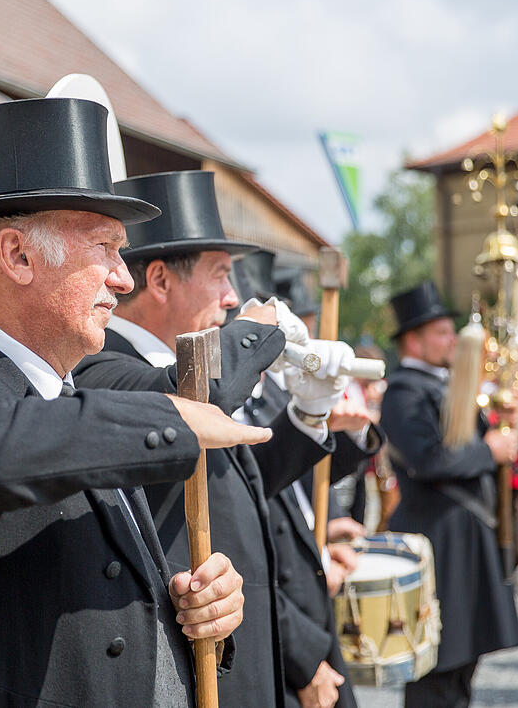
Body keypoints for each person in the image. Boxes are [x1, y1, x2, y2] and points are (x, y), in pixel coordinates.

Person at [0, 99, 269, 707]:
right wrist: (166, 416)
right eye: (105, 248)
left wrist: (193, 612)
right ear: (18, 256)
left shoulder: (75, 394)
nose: (123, 278)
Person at [74, 170, 347, 708]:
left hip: (242, 651)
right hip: (191, 663)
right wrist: (259, 330)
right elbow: (198, 393)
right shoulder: (105, 370)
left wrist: (310, 412)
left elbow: (244, 488)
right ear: (160, 280)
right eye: (221, 275)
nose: (231, 297)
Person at [234, 253, 382, 708]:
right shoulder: (226, 399)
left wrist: (327, 532)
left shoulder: (275, 388)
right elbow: (249, 523)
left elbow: (296, 479)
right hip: (279, 618)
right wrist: (302, 658)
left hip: (307, 593)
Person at [380, 282, 518, 708]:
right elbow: (428, 460)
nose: (453, 340)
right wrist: (489, 449)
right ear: (413, 339)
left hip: (464, 535)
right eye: (442, 332)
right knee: (437, 666)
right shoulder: (404, 390)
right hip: (440, 537)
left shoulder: (444, 385)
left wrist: (502, 425)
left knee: (462, 664)